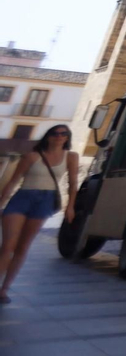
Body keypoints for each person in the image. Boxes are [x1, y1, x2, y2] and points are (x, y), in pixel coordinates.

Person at [0, 125, 78, 303]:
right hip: (23, 198)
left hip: (45, 201)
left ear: (67, 138)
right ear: (48, 136)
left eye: (63, 134)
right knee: (8, 246)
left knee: (22, 247)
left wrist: (70, 207)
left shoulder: (71, 157)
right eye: (55, 133)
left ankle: (4, 289)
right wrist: (1, 202)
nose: (59, 136)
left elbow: (72, 184)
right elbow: (13, 181)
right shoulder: (32, 156)